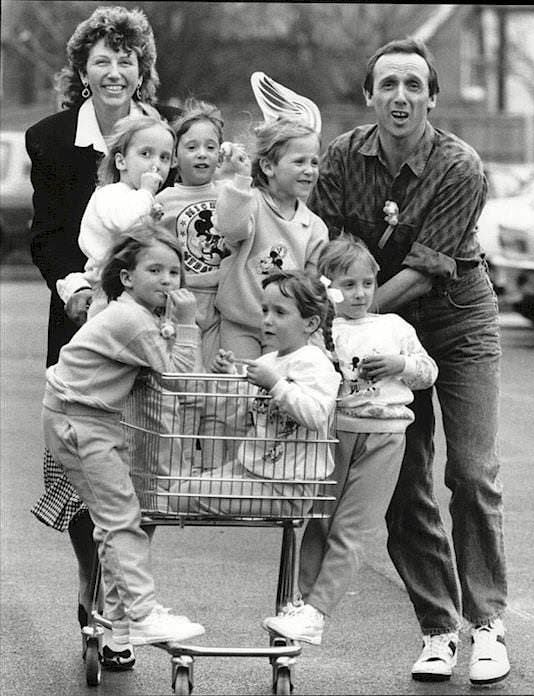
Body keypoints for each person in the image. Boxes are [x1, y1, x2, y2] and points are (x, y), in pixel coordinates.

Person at [307, 38, 509, 685]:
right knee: (399, 476)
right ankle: (438, 628)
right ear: (369, 95)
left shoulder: (461, 166)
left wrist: (353, 327)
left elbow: (423, 273)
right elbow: (326, 250)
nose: (400, 96)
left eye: (413, 85)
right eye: (387, 84)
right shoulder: (342, 157)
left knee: (472, 473)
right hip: (367, 323)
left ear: (431, 97)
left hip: (453, 317)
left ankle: (487, 625)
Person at [25, 5, 180, 670]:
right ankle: (94, 585)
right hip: (84, 319)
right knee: (87, 467)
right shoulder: (52, 140)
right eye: (103, 59)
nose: (115, 70)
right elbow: (49, 236)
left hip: (155, 319)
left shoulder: (164, 141)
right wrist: (80, 293)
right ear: (83, 71)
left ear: (142, 69)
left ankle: (124, 603)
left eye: (127, 59)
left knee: (139, 466)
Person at [262, 235, 438, 646]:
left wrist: (400, 364)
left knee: (351, 530)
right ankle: (299, 605)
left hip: (385, 439)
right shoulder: (324, 334)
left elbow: (428, 371)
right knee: (320, 521)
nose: (359, 294)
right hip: (336, 435)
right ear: (326, 287)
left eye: (367, 284)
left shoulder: (394, 326)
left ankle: (317, 612)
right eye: (348, 284)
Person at [41, 223, 206, 648]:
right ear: (128, 277)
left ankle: (121, 616)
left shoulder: (135, 313)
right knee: (121, 520)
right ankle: (142, 613)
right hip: (81, 421)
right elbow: (180, 379)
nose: (168, 281)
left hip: (89, 418)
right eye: (155, 270)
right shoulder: (134, 319)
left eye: (174, 272)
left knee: (114, 520)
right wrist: (186, 324)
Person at [169, 270, 341, 517]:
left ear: (310, 323)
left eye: (280, 312)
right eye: (265, 311)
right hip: (252, 469)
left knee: (182, 496)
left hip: (288, 487)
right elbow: (241, 418)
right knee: (176, 488)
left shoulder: (315, 362)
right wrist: (227, 377)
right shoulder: (267, 360)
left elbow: (316, 416)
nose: (268, 320)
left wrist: (275, 384)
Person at [214, 118, 328, 359]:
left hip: (285, 330)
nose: (310, 170)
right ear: (268, 167)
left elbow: (312, 287)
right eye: (299, 162)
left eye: (314, 162)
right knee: (241, 389)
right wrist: (242, 179)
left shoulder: (315, 227)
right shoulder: (249, 202)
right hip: (240, 323)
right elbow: (230, 228)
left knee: (276, 389)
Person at [57, 113, 176, 321]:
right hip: (107, 291)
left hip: (135, 289)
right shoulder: (110, 194)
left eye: (164, 157)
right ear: (121, 161)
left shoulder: (143, 200)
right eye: (146, 154)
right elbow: (124, 221)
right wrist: (147, 192)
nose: (156, 164)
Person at [155, 97, 229, 370]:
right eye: (192, 147)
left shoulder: (228, 193)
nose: (202, 153)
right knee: (184, 374)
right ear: (175, 156)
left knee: (217, 375)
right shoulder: (164, 200)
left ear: (220, 155)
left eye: (211, 147)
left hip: (221, 301)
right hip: (181, 300)